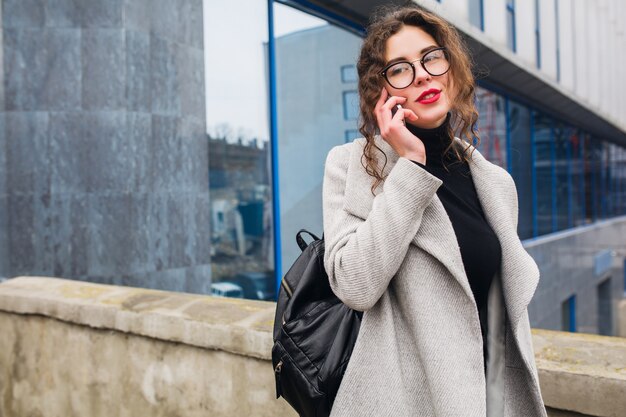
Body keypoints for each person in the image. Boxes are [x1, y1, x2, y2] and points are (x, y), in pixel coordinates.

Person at [322, 4, 547, 417]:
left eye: (431, 58)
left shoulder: (495, 183)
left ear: (452, 68)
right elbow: (354, 285)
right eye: (400, 68)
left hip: (491, 401)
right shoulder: (352, 165)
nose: (423, 74)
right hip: (407, 404)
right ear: (381, 89)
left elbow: (500, 318)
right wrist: (410, 165)